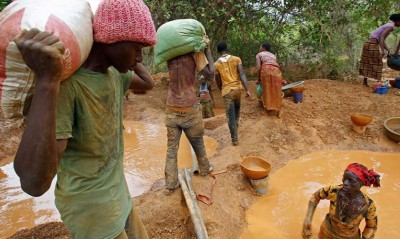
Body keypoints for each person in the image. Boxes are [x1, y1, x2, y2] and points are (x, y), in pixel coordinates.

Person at [13, 0, 156, 238]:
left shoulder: (114, 76)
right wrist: (47, 80)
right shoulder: (68, 88)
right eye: (137, 47)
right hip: (90, 208)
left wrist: (130, 50)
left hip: (118, 193)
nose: (140, 58)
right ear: (112, 40)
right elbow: (34, 184)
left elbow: (148, 84)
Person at [164, 38, 214, 196]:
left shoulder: (170, 54)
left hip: (171, 107)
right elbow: (210, 74)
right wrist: (207, 50)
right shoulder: (195, 54)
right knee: (198, 142)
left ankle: (170, 185)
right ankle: (204, 169)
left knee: (171, 149)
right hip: (189, 107)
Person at [302, 163, 380, 239]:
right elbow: (315, 197)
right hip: (326, 233)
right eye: (344, 178)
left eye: (351, 181)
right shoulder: (334, 191)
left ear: (361, 184)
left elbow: (371, 226)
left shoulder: (368, 206)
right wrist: (308, 219)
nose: (345, 183)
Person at [214, 41, 251, 146]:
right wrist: (247, 89)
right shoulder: (236, 59)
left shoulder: (216, 64)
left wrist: (222, 89)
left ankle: (234, 139)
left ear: (218, 51)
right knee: (237, 112)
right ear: (227, 48)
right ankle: (235, 131)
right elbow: (242, 73)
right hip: (238, 89)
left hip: (227, 91)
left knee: (230, 116)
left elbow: (218, 80)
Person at [360, 13, 400, 86]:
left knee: (367, 62)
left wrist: (387, 50)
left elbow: (381, 39)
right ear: (397, 21)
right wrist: (382, 51)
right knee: (378, 62)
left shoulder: (388, 25)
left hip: (368, 43)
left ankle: (365, 82)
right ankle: (378, 82)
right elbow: (381, 37)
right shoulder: (390, 27)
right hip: (372, 44)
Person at [256, 42, 283, 118]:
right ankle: (279, 110)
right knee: (277, 90)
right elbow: (276, 64)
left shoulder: (259, 54)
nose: (260, 48)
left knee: (266, 89)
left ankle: (266, 109)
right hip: (276, 70)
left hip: (266, 69)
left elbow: (258, 68)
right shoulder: (273, 55)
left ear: (263, 48)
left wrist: (258, 79)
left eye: (260, 47)